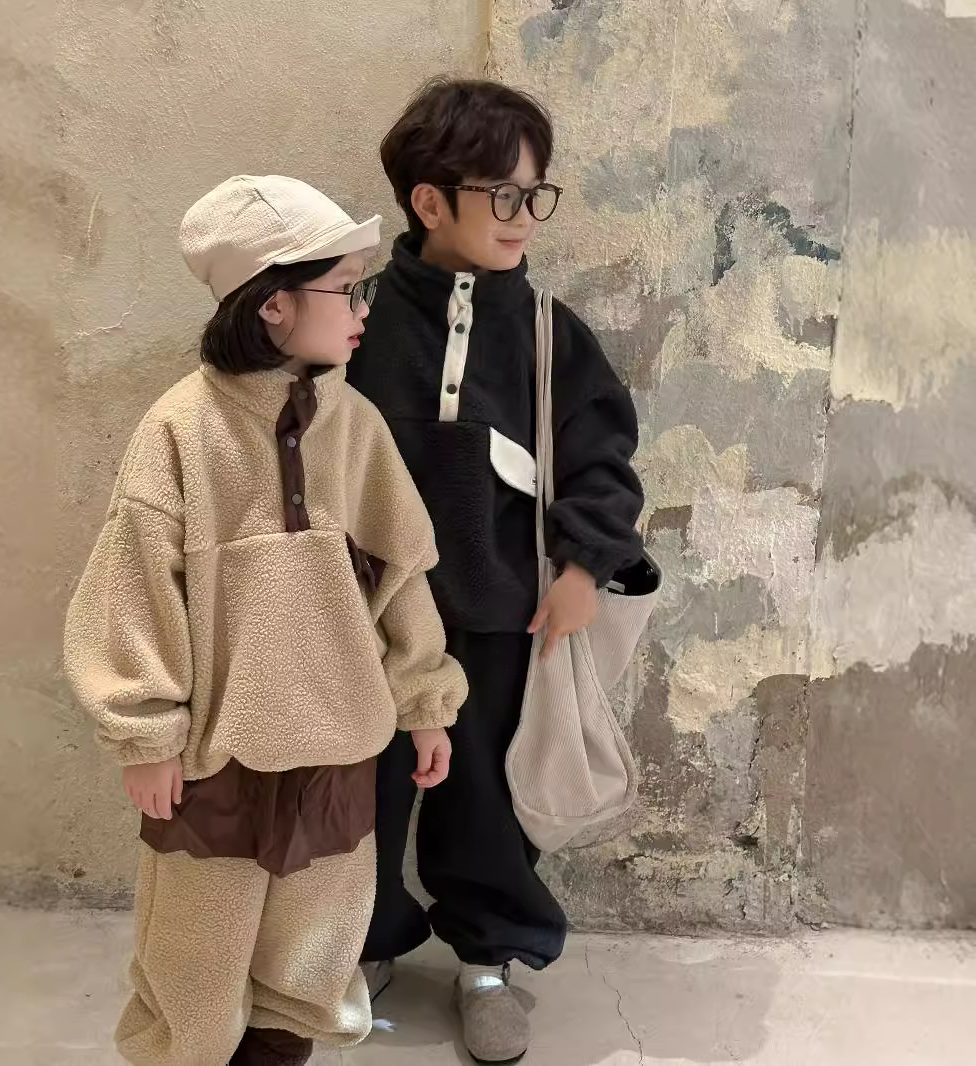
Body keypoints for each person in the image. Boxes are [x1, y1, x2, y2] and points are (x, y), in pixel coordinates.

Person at [63, 174, 468, 1066]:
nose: (364, 308)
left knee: (311, 957)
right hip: (218, 757)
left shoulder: (355, 426)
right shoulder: (180, 429)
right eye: (347, 288)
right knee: (195, 961)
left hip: (337, 749)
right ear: (274, 304)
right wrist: (146, 734)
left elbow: (402, 576)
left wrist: (425, 703)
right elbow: (133, 590)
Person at [346, 79, 646, 1064]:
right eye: (503, 195)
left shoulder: (551, 332)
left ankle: (488, 960)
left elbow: (602, 461)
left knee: (485, 800)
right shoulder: (356, 322)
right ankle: (361, 942)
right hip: (369, 621)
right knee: (358, 797)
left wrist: (584, 565)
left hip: (501, 615)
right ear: (429, 201)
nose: (524, 216)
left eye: (534, 194)